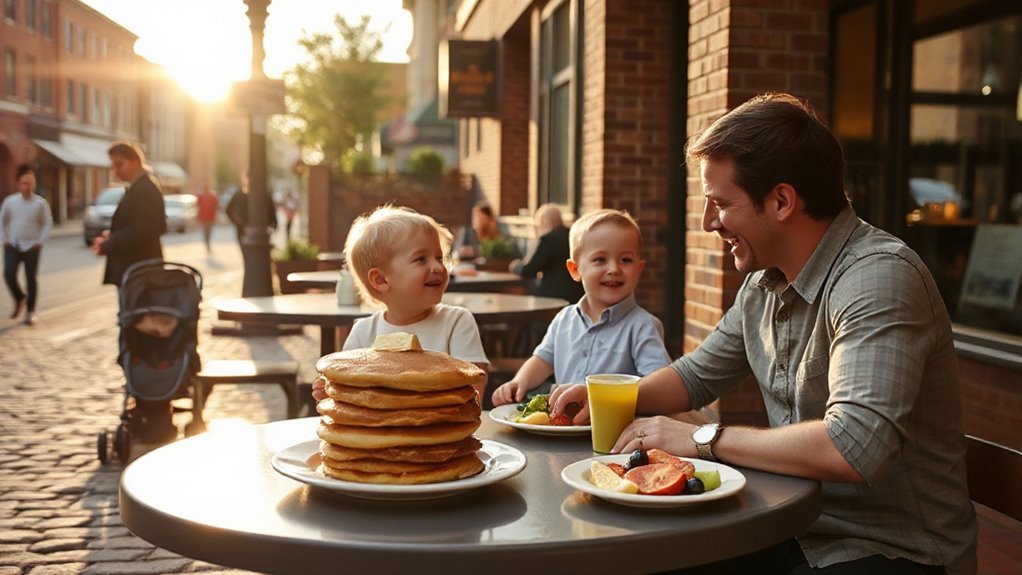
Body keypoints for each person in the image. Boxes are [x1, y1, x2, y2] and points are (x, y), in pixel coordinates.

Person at [549, 93, 977, 574]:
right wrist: (605, 395)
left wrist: (702, 437)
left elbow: (855, 446)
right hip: (791, 526)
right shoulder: (764, 284)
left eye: (719, 204)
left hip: (893, 549)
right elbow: (696, 375)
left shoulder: (878, 278)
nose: (709, 223)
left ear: (781, 201)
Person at [491, 209, 671, 407]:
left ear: (638, 270)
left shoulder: (642, 326)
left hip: (614, 430)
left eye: (625, 260)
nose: (613, 269)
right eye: (600, 259)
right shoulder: (564, 319)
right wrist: (519, 382)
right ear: (575, 270)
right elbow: (543, 359)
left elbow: (659, 385)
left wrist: (603, 397)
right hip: (562, 427)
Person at [311, 205, 489, 399]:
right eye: (421, 259)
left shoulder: (456, 322)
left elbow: (473, 388)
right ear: (381, 280)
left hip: (444, 426)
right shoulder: (363, 333)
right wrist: (331, 392)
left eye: (439, 258)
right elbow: (348, 390)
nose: (437, 267)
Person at [91, 142, 166, 288]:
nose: (115, 171)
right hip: (137, 270)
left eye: (119, 165)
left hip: (139, 271)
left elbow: (148, 229)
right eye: (113, 166)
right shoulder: (139, 186)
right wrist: (112, 235)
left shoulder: (144, 188)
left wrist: (110, 242)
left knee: (135, 309)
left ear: (135, 162)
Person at [1, 164, 53, 325]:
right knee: (8, 273)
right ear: (19, 184)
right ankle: (19, 297)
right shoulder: (10, 202)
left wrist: (39, 241)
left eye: (30, 182)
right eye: (24, 182)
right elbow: (2, 221)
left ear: (34, 184)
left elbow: (47, 223)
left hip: (32, 247)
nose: (27, 185)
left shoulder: (40, 204)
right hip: (13, 245)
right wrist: (4, 238)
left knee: (31, 279)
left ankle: (30, 312)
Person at [509, 204, 585, 303]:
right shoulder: (573, 236)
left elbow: (529, 270)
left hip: (552, 297)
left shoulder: (547, 240)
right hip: (577, 295)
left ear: (542, 222)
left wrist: (515, 266)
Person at [225, 182, 276, 249]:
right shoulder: (239, 194)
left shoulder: (265, 194)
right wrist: (240, 224)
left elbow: (272, 212)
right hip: (246, 231)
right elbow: (228, 210)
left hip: (260, 232)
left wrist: (272, 225)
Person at [196, 185, 219, 252]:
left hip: (204, 217)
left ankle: (207, 242)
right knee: (208, 231)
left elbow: (197, 205)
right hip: (209, 217)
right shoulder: (212, 196)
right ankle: (207, 242)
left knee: (205, 231)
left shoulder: (201, 196)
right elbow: (216, 205)